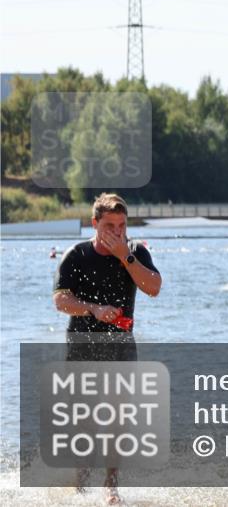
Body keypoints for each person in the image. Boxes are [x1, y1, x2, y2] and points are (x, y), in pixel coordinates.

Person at [52, 193, 162, 505]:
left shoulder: (136, 251)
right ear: (95, 223)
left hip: (121, 346)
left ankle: (111, 485)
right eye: (110, 225)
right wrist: (93, 309)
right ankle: (80, 485)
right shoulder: (77, 254)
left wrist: (125, 257)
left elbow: (153, 287)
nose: (117, 231)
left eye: (122, 225)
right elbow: (60, 300)